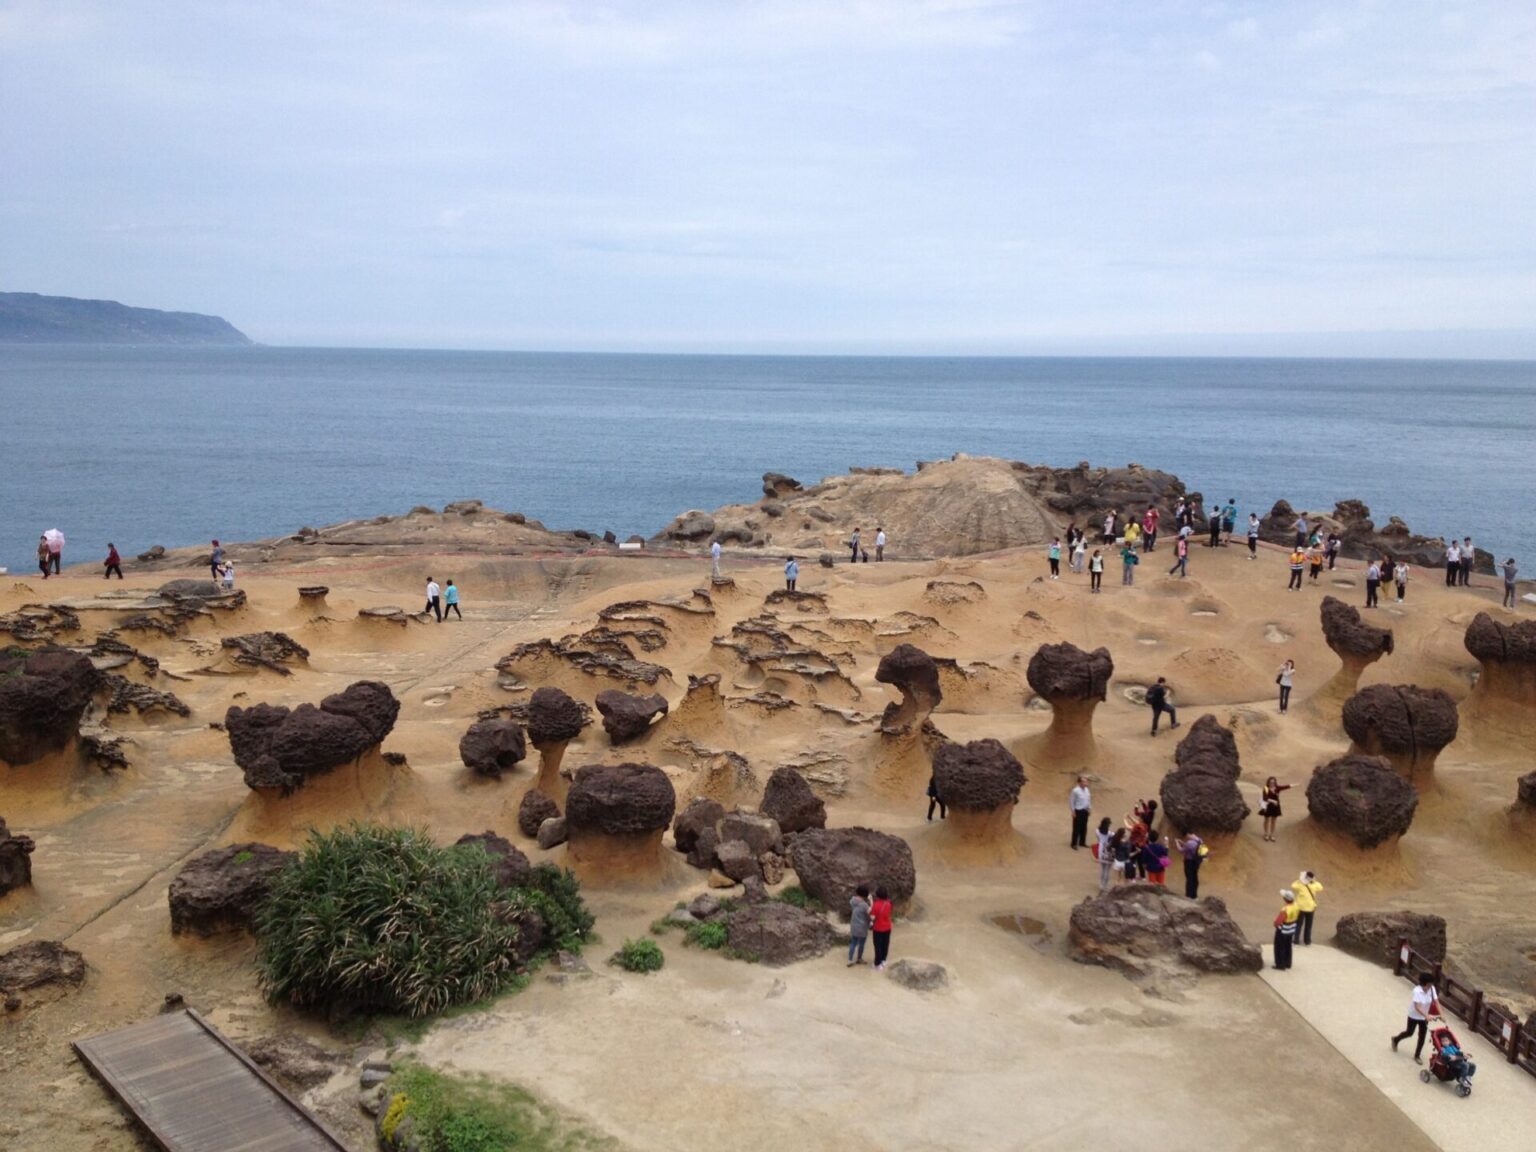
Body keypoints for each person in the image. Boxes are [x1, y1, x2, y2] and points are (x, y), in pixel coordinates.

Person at [1391, 973, 1440, 1064]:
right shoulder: (1417, 991)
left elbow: (1436, 1002)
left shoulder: (1431, 989)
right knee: (1409, 1033)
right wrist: (1426, 1016)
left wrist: (1442, 1014)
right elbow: (1417, 1007)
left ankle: (1417, 1055)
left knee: (1422, 1036)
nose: (1431, 986)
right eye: (1429, 984)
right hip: (1414, 1016)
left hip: (1424, 1018)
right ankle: (1396, 1039)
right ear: (1424, 984)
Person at [1290, 870, 1323, 945]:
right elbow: (1321, 887)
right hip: (1310, 908)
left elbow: (1293, 885)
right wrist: (1314, 881)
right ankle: (1307, 941)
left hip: (1301, 908)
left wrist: (1299, 880)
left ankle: (1296, 940)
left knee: (1298, 924)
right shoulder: (1314, 886)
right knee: (1308, 926)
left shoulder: (1300, 885)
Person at [1272, 890, 1299, 970]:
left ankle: (1280, 964)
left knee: (1280, 947)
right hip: (1291, 929)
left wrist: (1275, 923)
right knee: (1288, 946)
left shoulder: (1285, 909)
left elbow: (1278, 922)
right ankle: (1288, 963)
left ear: (1285, 899)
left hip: (1283, 930)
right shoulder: (1296, 906)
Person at [1260, 776, 1292, 841]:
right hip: (1268, 806)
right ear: (1268, 782)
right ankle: (1266, 834)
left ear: (1275, 782)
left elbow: (1286, 786)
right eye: (1271, 782)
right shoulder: (1266, 788)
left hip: (1275, 806)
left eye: (1273, 782)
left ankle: (1272, 834)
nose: (1272, 783)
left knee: (1273, 821)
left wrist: (1295, 785)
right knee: (1267, 820)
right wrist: (1273, 801)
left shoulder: (1277, 787)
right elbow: (1265, 798)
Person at [870, 886, 894, 971]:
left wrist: (871, 902)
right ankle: (884, 960)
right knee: (885, 944)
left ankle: (877, 964)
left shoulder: (875, 905)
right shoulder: (889, 903)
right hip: (887, 927)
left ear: (877, 895)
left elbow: (872, 917)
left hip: (878, 928)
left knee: (878, 946)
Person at [1174, 833, 1206, 898]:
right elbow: (1189, 847)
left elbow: (1181, 850)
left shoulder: (1189, 843)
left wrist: (1177, 842)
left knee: (1189, 878)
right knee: (1195, 877)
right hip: (1197, 861)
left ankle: (1189, 895)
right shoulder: (1199, 840)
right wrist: (1182, 842)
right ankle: (1194, 895)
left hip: (1189, 862)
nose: (1187, 836)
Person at [847, 885, 871, 966]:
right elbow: (870, 912)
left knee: (853, 943)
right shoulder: (864, 905)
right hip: (862, 927)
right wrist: (871, 901)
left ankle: (850, 960)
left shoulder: (852, 900)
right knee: (861, 943)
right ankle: (859, 958)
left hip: (853, 925)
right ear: (865, 894)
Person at [1069, 776, 1091, 849]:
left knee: (1084, 827)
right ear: (1079, 782)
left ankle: (1082, 842)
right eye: (1084, 781)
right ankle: (1074, 844)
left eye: (1086, 781)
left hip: (1085, 810)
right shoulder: (1075, 791)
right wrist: (1073, 811)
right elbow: (1072, 801)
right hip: (1078, 810)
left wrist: (1089, 808)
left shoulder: (1087, 790)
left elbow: (1088, 800)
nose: (1086, 783)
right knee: (1076, 827)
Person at [1095, 818, 1115, 892]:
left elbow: (1098, 839)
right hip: (1108, 852)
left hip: (1101, 851)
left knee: (1103, 869)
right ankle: (1105, 885)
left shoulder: (1097, 831)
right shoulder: (1110, 834)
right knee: (1107, 870)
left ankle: (1101, 884)